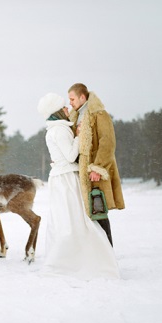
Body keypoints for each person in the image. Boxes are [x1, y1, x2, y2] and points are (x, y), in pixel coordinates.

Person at [38, 93, 120, 280]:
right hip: (67, 179)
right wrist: (79, 136)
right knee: (76, 220)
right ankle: (82, 260)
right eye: (64, 107)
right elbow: (70, 155)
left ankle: (75, 258)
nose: (68, 108)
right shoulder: (59, 130)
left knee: (67, 220)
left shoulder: (56, 129)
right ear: (58, 112)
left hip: (61, 178)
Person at [67, 83, 125, 246]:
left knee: (98, 211)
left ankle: (108, 253)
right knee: (87, 214)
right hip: (81, 172)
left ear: (82, 97)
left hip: (94, 172)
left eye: (72, 99)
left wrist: (98, 167)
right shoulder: (75, 116)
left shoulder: (99, 114)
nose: (70, 102)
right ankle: (94, 254)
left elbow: (107, 142)